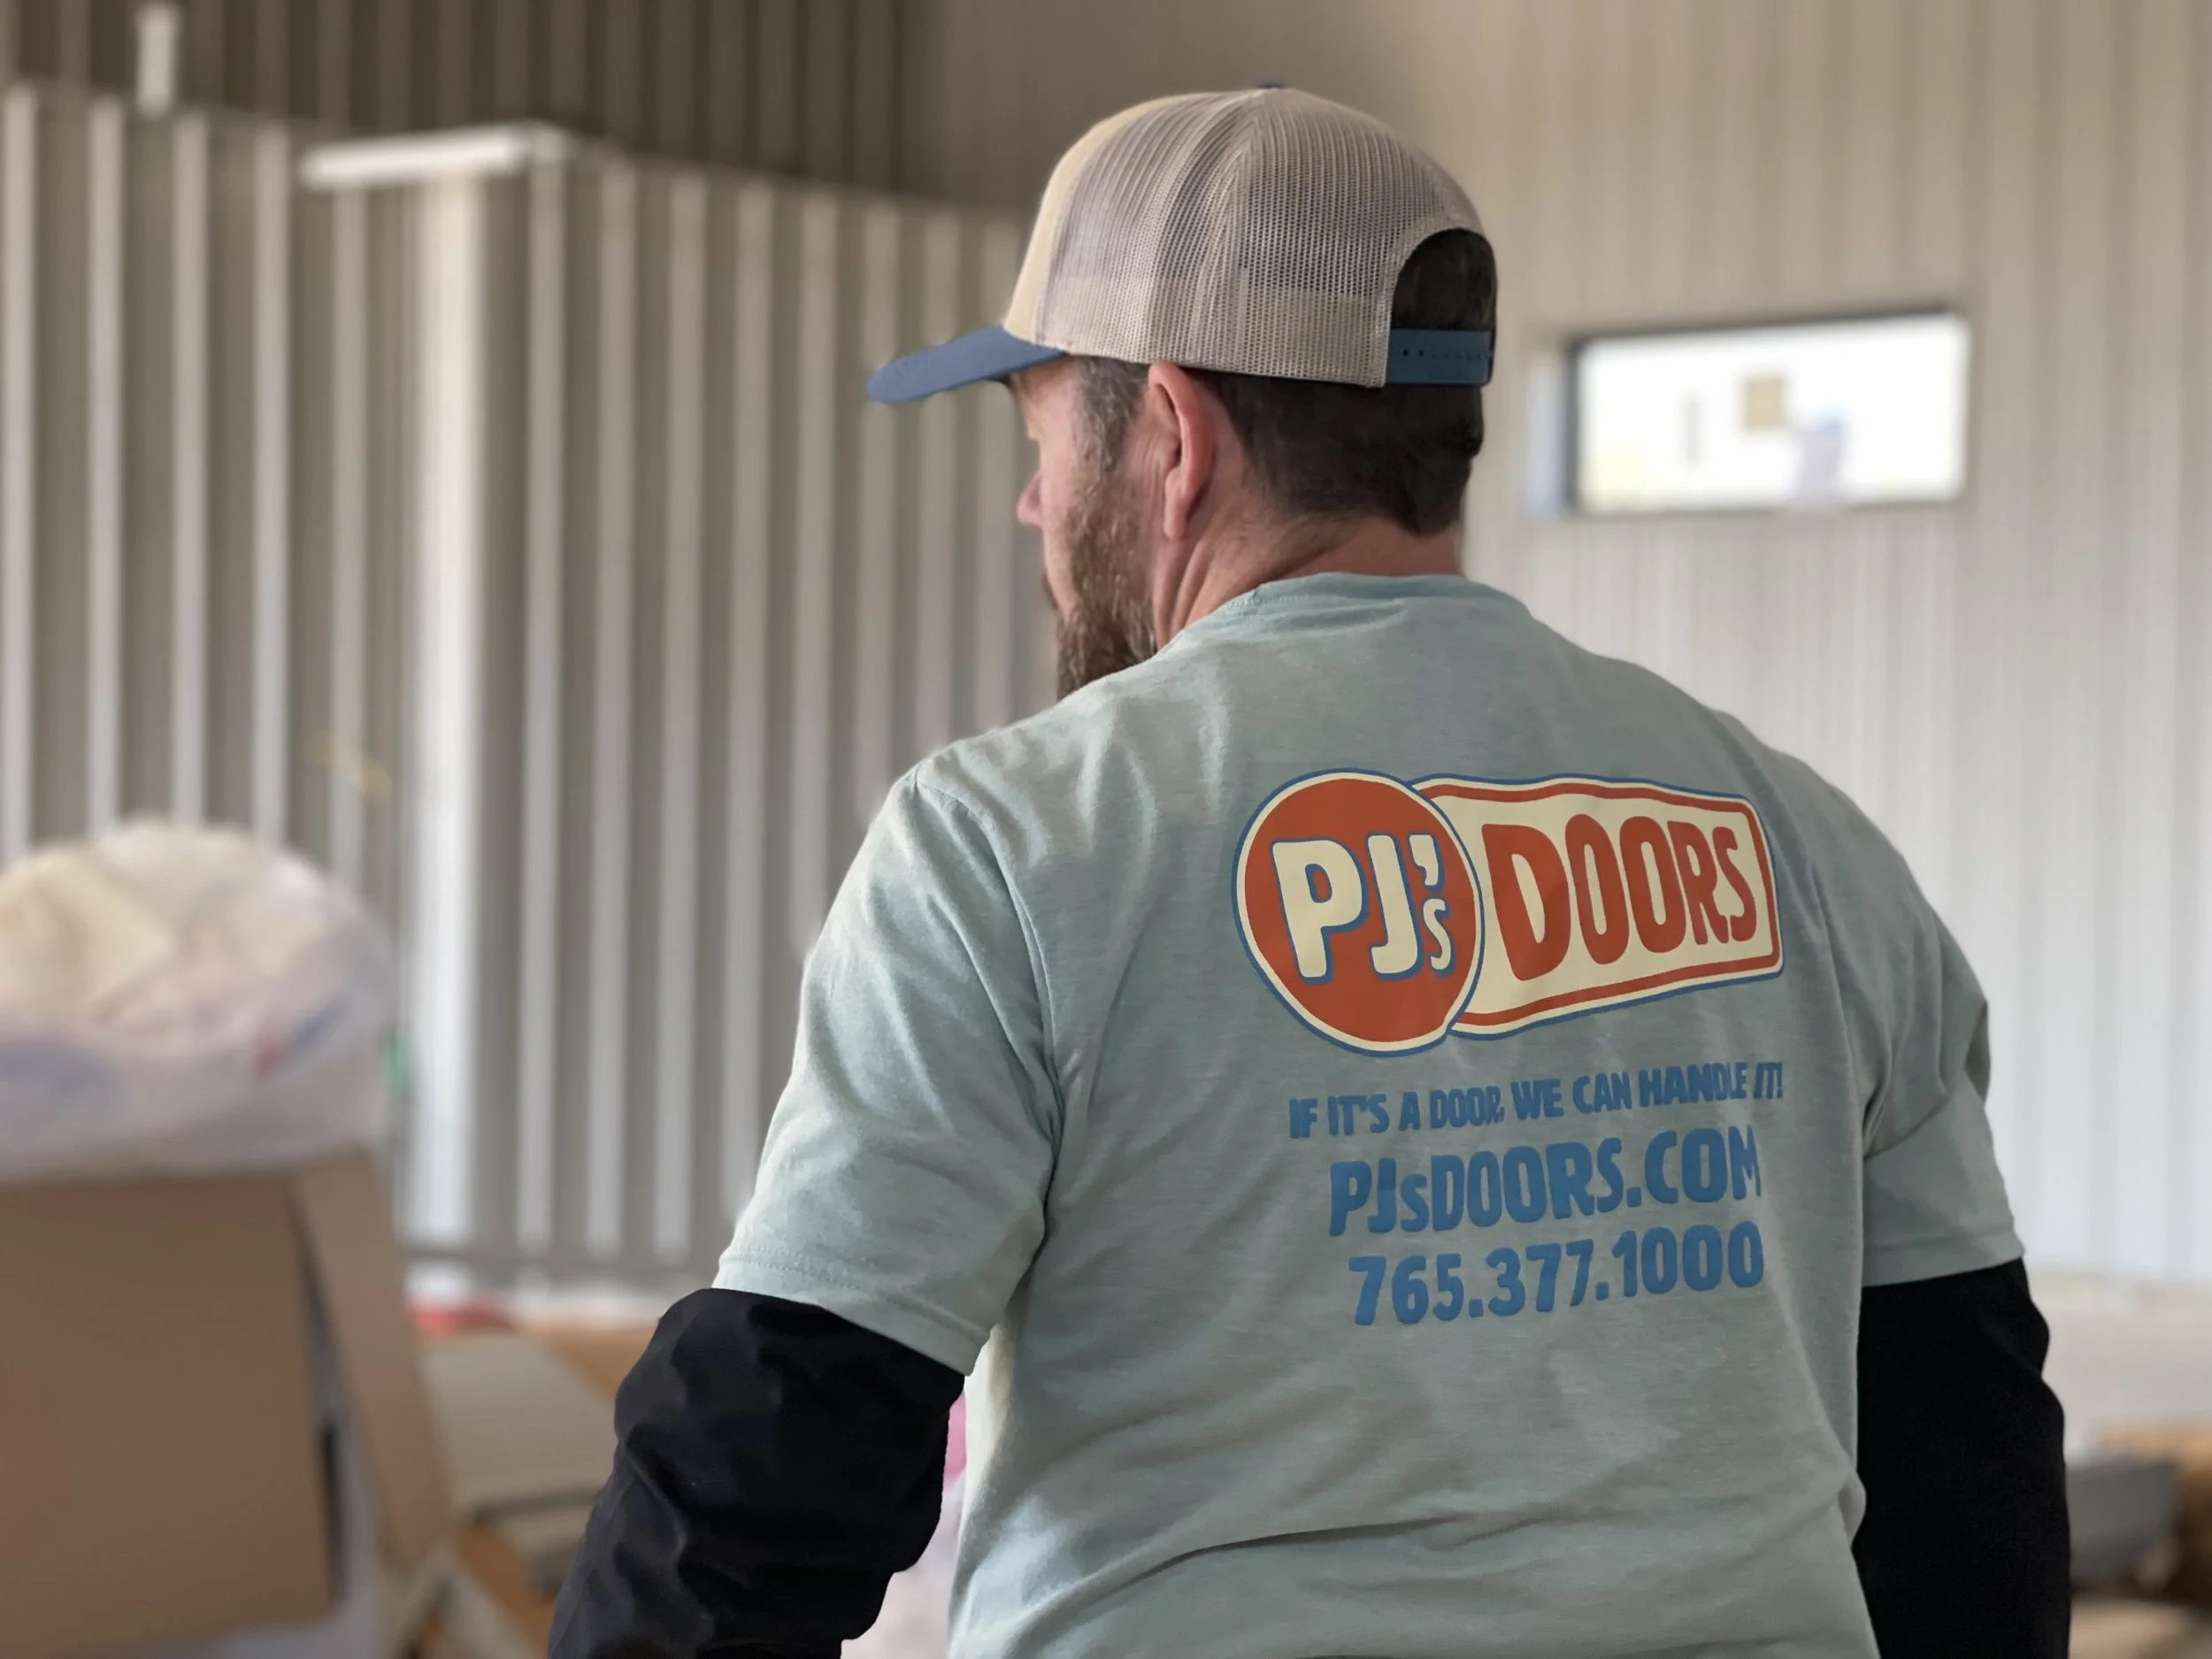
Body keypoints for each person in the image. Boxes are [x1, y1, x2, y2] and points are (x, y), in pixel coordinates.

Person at [552, 88, 2068, 1659]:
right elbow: (1971, 1472)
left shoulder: (1014, 847)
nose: (1028, 508)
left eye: (1041, 442)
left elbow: (760, 1474)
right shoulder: (1805, 844)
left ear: (1172, 433)